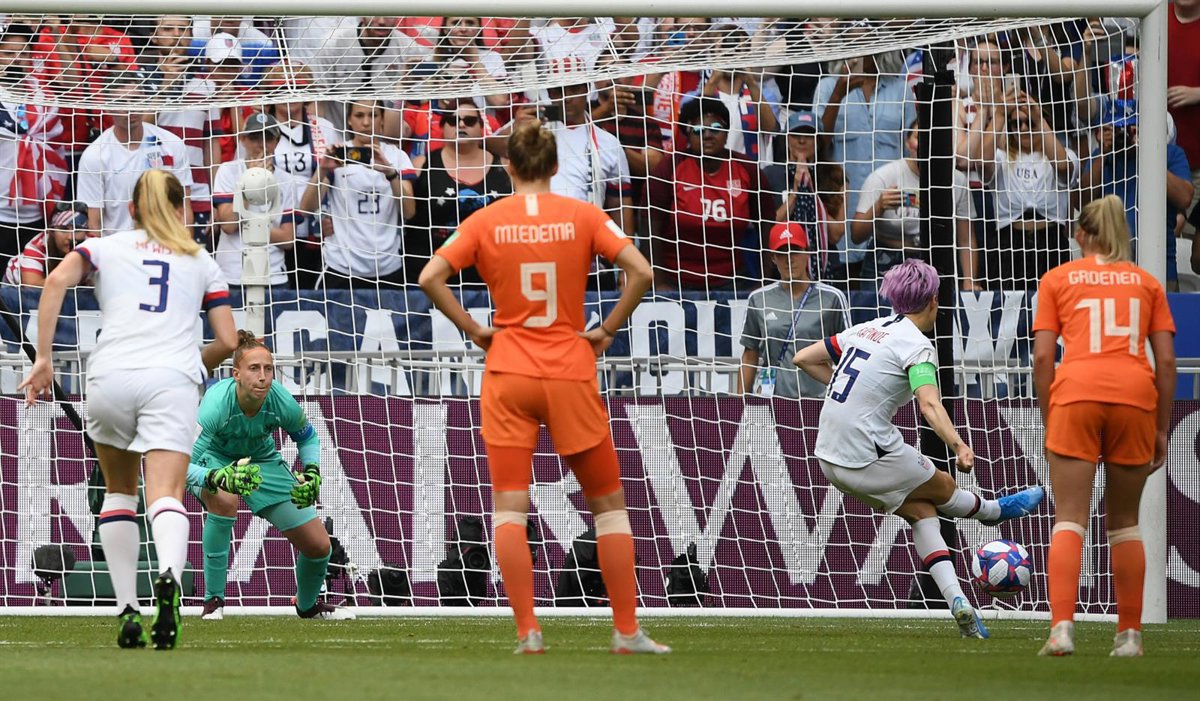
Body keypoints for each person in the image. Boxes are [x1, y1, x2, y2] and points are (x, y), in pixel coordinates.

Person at [418, 123, 668, 655]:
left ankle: (528, 631)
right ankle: (626, 631)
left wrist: (475, 329)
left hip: (509, 369)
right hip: (568, 368)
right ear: (556, 167)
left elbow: (429, 276)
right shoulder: (584, 215)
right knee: (609, 508)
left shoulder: (485, 219)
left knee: (510, 507)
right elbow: (642, 273)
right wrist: (606, 329)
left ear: (508, 166)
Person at [18, 170, 239, 650]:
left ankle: (126, 609)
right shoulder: (199, 259)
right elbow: (227, 339)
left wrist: (43, 359)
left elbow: (54, 281)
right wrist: (190, 368)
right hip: (170, 380)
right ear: (181, 209)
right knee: (166, 494)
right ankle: (169, 580)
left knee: (119, 493)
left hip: (111, 375)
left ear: (132, 209)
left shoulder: (103, 247)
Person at [792, 258, 1045, 638]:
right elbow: (928, 404)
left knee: (921, 511)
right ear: (932, 301)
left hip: (829, 455)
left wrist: (849, 393)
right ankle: (992, 512)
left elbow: (803, 358)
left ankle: (958, 602)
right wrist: (959, 444)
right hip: (865, 451)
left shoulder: (866, 328)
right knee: (944, 486)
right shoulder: (917, 346)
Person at [1032, 195, 1177, 658]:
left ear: (1081, 234)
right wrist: (1161, 428)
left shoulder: (1057, 279)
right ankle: (1130, 635)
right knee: (1125, 523)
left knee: (1069, 518)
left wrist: (1049, 416)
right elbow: (1166, 361)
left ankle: (1061, 630)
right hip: (1134, 396)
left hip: (1076, 394)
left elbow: (1042, 357)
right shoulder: (1146, 283)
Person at [186, 332, 355, 621]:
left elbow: (308, 437)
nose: (263, 377)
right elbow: (182, 464)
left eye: (268, 369)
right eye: (254, 369)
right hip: (213, 460)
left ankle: (308, 606)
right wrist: (217, 477)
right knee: (225, 499)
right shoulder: (215, 405)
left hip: (261, 461)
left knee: (319, 546)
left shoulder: (280, 400)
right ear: (236, 374)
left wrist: (312, 471)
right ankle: (213, 601)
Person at [643, 97, 768, 292]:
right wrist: (659, 283)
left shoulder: (747, 169)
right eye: (698, 130)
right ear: (687, 134)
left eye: (715, 128)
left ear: (726, 133)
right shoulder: (669, 168)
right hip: (676, 281)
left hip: (731, 280)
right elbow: (649, 229)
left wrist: (765, 280)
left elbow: (768, 226)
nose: (707, 135)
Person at [299, 100, 416, 289]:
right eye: (359, 115)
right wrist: (322, 170)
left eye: (373, 115)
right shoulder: (337, 154)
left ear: (382, 119)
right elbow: (305, 209)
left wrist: (390, 173)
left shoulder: (397, 156)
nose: (366, 122)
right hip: (341, 265)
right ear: (349, 120)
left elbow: (409, 211)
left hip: (387, 265)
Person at [852, 122, 980, 290]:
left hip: (934, 260)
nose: (925, 144)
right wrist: (879, 207)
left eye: (932, 138)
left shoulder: (957, 180)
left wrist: (969, 281)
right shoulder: (882, 177)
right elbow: (856, 235)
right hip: (886, 260)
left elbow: (966, 239)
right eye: (919, 137)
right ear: (907, 143)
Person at [738, 222, 849, 399]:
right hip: (770, 399)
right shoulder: (759, 299)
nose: (789, 259)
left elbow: (848, 352)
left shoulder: (832, 298)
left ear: (807, 252)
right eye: (782, 252)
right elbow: (750, 355)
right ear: (773, 257)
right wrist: (739, 403)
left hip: (819, 400)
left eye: (795, 250)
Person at [408, 102, 512, 285]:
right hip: (432, 275)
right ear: (442, 127)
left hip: (490, 274)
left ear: (481, 127)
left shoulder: (506, 167)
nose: (461, 125)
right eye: (453, 120)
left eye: (469, 121)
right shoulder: (421, 165)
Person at [76, 78, 194, 237]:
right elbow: (93, 223)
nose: (130, 108)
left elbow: (184, 207)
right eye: (121, 102)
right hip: (118, 245)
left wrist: (184, 248)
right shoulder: (94, 156)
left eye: (135, 99)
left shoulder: (172, 143)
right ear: (108, 106)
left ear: (144, 100)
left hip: (165, 242)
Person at [211, 112, 296, 287]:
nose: (261, 145)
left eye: (268, 138)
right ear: (243, 140)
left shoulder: (287, 180)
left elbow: (288, 239)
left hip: (273, 275)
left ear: (277, 142)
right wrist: (250, 182)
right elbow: (228, 225)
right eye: (255, 138)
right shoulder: (228, 171)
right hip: (233, 274)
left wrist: (250, 227)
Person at [2, 205, 90, 286]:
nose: (70, 237)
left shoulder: (92, 244)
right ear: (51, 231)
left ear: (86, 232)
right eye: (64, 229)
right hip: (15, 290)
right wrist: (70, 278)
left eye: (77, 230)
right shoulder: (36, 247)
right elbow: (32, 287)